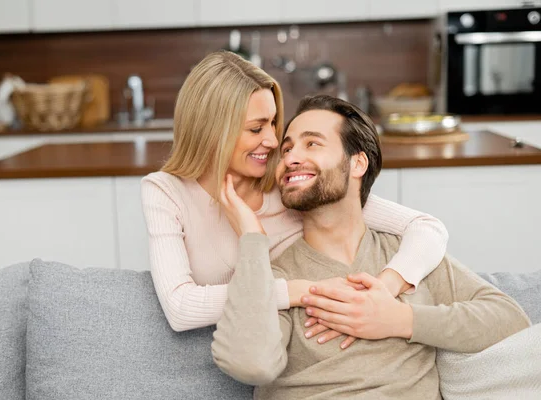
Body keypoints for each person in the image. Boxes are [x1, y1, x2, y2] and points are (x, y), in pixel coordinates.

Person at [211, 94, 531, 399]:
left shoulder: (408, 259)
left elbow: (509, 319)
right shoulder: (277, 277)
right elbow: (250, 364)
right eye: (287, 148)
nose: (290, 158)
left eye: (312, 143)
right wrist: (252, 240)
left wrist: (400, 320)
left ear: (357, 164)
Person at [140, 51, 449, 345]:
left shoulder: (289, 182)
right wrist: (299, 291)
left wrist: (385, 287)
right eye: (256, 128)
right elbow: (180, 307)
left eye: (273, 123)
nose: (273, 141)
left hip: (297, 347)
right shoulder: (166, 192)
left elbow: (426, 228)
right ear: (212, 130)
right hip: (232, 352)